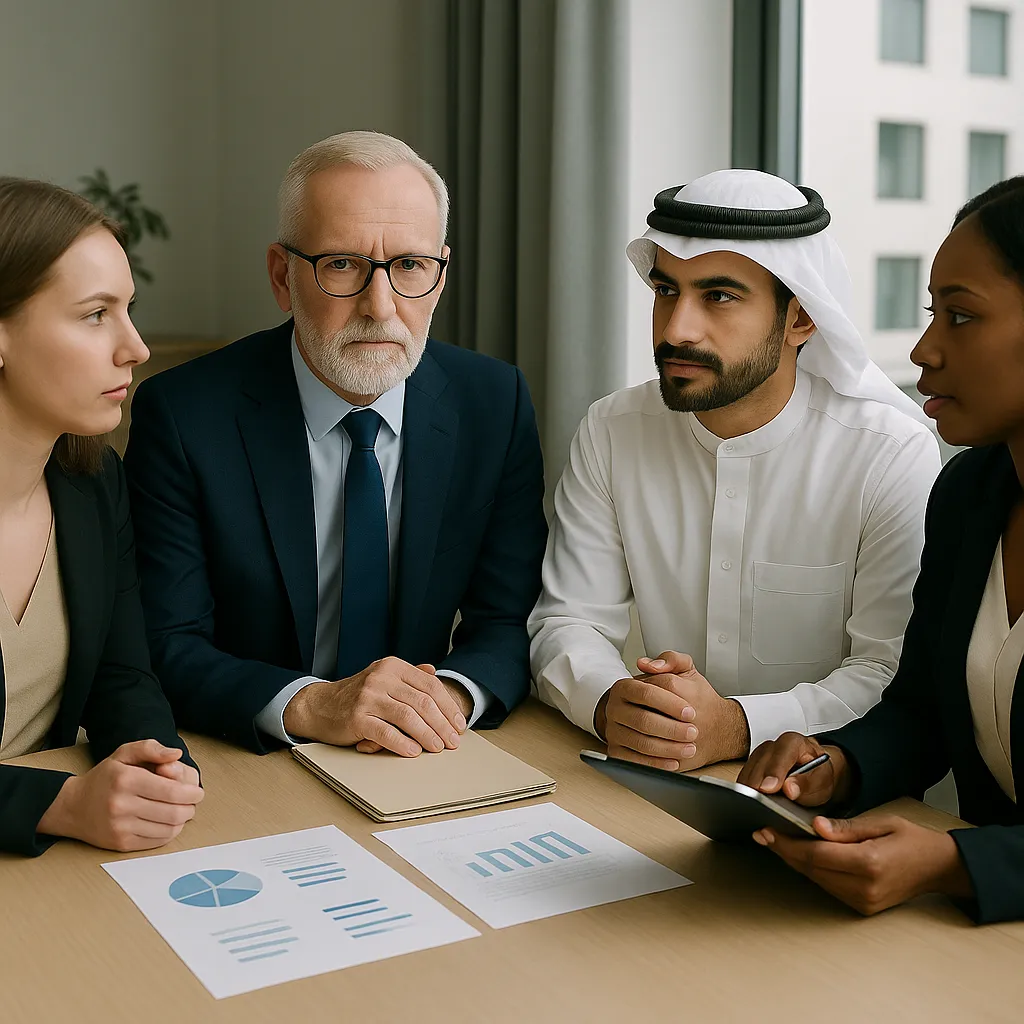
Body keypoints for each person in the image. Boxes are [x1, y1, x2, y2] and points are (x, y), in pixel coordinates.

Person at [124, 131, 547, 756]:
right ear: (281, 275)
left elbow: (511, 621)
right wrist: (315, 705)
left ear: (440, 273)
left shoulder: (495, 403)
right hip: (252, 756)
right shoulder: (186, 415)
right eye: (342, 264)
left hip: (422, 752)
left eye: (409, 266)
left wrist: (443, 701)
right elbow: (165, 640)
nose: (381, 307)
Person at [529, 169, 941, 771]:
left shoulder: (888, 453)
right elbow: (569, 620)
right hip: (651, 782)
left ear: (800, 320)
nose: (676, 330)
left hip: (824, 796)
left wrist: (738, 726)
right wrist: (611, 701)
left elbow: (890, 674)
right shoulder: (613, 428)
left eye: (718, 296)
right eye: (666, 291)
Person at [737, 176, 1024, 925]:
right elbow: (923, 713)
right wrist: (835, 765)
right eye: (934, 314)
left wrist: (959, 864)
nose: (925, 350)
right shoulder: (970, 495)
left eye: (961, 317)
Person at [0, 178, 203, 857]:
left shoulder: (92, 483)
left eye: (129, 310)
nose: (136, 348)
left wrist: (155, 763)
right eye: (95, 314)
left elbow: (123, 675)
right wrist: (59, 804)